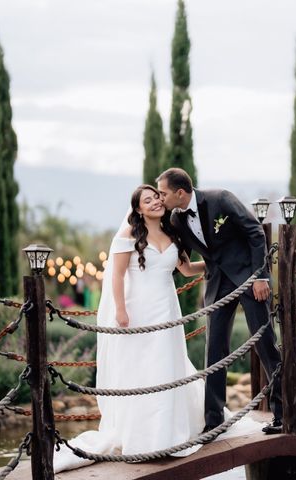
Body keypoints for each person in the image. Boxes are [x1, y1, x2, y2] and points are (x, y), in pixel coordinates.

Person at [54, 184, 207, 472]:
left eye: (156, 198)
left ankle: (169, 432)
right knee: (144, 368)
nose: (154, 203)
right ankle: (146, 435)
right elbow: (117, 276)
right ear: (137, 208)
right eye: (147, 200)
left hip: (167, 308)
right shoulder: (128, 236)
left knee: (168, 365)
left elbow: (185, 270)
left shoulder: (173, 232)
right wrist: (121, 310)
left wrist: (213, 264)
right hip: (139, 311)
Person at [156, 168, 283, 435]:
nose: (160, 198)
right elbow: (185, 260)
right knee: (214, 352)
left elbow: (256, 234)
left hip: (250, 280)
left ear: (180, 193)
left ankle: (283, 414)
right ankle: (214, 422)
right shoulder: (177, 221)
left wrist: (261, 277)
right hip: (216, 285)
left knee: (265, 345)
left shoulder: (221, 199)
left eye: (164, 193)